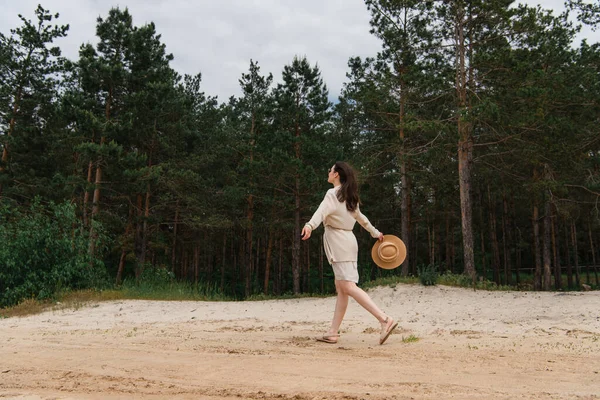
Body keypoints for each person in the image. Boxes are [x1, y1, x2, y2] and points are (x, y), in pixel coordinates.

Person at [301, 161, 398, 345]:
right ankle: (333, 332)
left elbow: (320, 212)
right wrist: (376, 233)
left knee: (348, 287)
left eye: (330, 170)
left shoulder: (332, 194)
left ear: (336, 174)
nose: (328, 172)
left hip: (339, 242)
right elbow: (362, 219)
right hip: (348, 242)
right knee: (342, 289)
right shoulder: (349, 197)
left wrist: (309, 225)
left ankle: (384, 319)